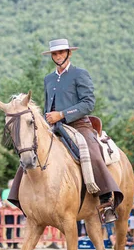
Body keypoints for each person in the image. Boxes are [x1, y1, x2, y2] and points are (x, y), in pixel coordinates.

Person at [41, 38, 123, 222]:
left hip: (78, 124)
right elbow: (47, 105)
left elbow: (88, 103)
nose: (58, 56)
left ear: (69, 53)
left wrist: (62, 114)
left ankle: (106, 198)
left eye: (61, 52)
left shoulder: (80, 74)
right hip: (53, 126)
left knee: (92, 152)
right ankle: (23, 198)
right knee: (31, 150)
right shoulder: (49, 78)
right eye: (55, 53)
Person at [2, 179, 19, 249]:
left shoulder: (17, 191)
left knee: (17, 228)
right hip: (8, 212)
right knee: (9, 227)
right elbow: (4, 200)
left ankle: (16, 244)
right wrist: (11, 206)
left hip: (17, 211)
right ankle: (9, 243)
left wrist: (16, 207)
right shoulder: (5, 191)